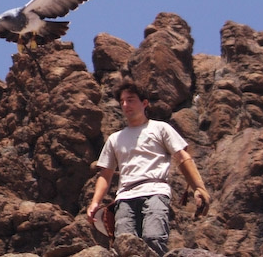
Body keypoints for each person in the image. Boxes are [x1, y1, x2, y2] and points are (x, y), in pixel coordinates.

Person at [86, 80, 211, 256]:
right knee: (124, 244)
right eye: (122, 101)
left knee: (154, 238)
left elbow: (183, 158)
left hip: (155, 192)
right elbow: (105, 174)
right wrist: (95, 202)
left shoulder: (160, 128)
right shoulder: (115, 139)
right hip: (125, 197)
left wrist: (199, 187)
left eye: (130, 100)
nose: (125, 105)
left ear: (144, 103)